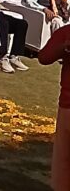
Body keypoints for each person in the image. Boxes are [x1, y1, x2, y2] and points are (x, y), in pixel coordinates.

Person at [38, 24, 70, 191]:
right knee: (63, 161)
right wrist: (65, 47)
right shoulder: (66, 32)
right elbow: (44, 57)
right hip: (67, 105)